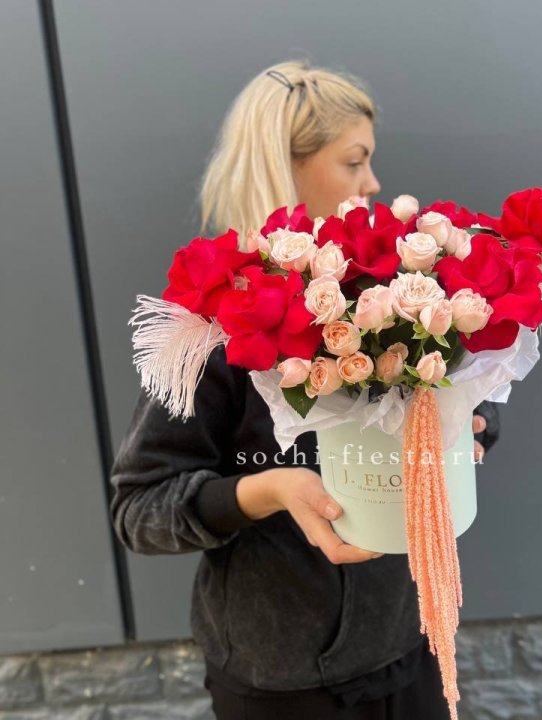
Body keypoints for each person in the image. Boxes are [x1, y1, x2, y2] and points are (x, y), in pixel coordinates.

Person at [110, 59, 501, 720]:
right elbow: (139, 509)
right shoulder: (210, 324)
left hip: (409, 644)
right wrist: (269, 490)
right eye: (354, 161)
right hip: (283, 682)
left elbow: (466, 397)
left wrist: (469, 423)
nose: (372, 183)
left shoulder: (387, 293)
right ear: (285, 166)